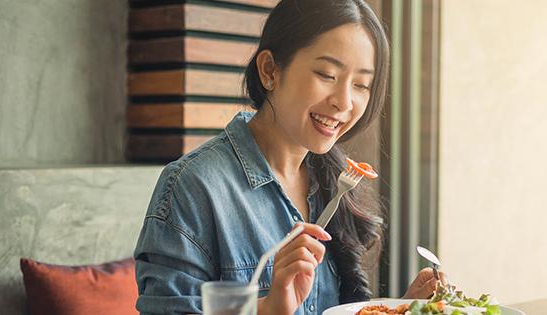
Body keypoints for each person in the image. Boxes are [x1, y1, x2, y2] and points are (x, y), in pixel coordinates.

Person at [133, 0, 445, 314]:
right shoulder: (193, 185)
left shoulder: (332, 183)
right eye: (326, 74)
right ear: (270, 70)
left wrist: (406, 307)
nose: (344, 101)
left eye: (361, 84)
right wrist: (268, 308)